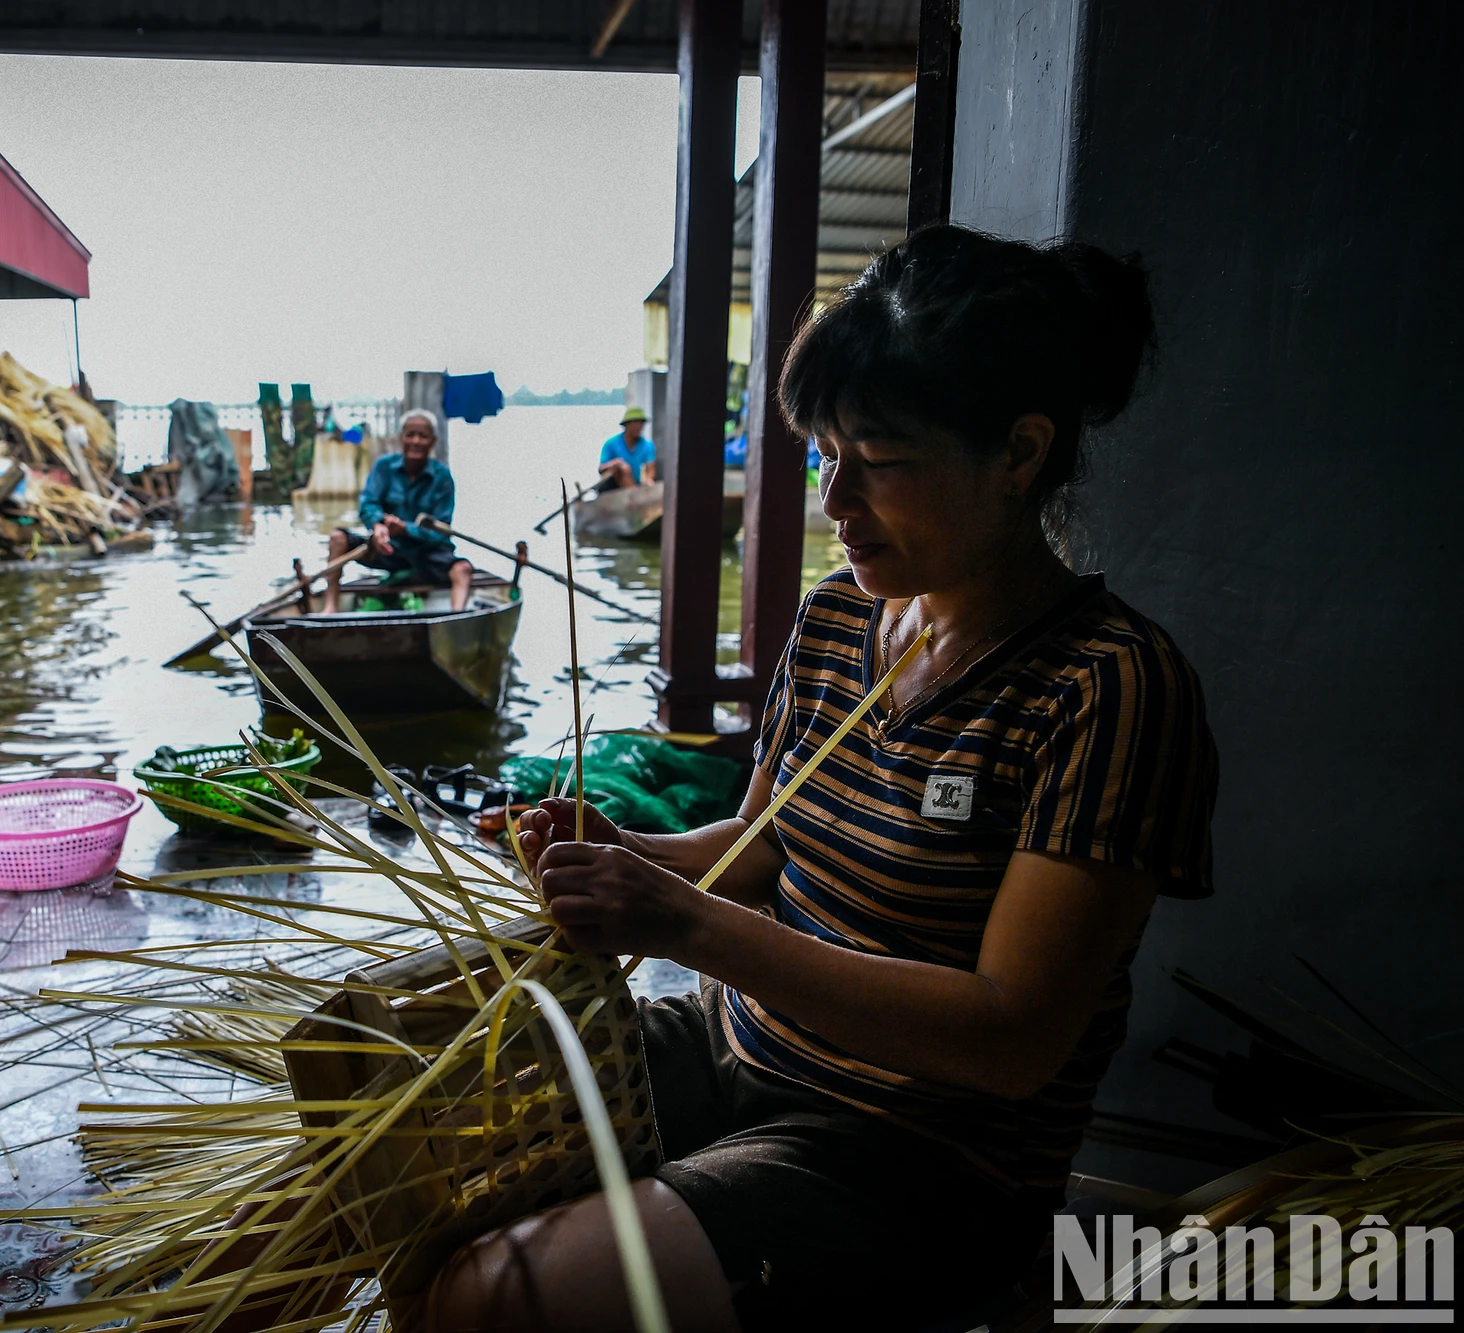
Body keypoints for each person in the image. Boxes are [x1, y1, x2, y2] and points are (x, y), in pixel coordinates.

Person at [427, 226, 1220, 1331]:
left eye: (880, 460)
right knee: (413, 1152)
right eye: (822, 454)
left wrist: (677, 925)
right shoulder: (842, 616)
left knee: (489, 1299)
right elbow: (763, 846)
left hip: (918, 1157)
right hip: (731, 1045)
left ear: (1018, 453)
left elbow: (1009, 1038)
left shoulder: (1107, 689)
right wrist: (624, 852)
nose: (835, 499)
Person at [325, 408, 475, 612]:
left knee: (463, 569)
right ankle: (330, 607)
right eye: (410, 435)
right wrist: (379, 526)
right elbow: (368, 504)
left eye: (423, 436)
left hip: (425, 553)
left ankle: (457, 618)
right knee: (337, 538)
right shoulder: (384, 467)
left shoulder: (442, 478)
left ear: (433, 441)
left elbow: (440, 531)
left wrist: (406, 528)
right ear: (401, 438)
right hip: (387, 549)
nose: (416, 441)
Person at [597, 406, 656, 492]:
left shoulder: (648, 445)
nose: (639, 426)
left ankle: (634, 494)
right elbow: (601, 468)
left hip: (636, 486)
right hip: (613, 488)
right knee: (623, 468)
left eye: (641, 423)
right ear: (626, 424)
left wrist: (648, 480)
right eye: (635, 423)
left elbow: (650, 469)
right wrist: (615, 463)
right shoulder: (611, 444)